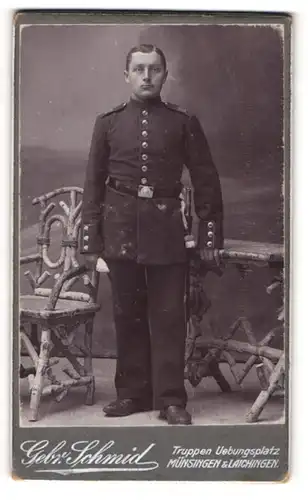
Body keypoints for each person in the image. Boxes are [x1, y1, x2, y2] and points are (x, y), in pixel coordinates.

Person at [80, 44, 223, 425]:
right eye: (139, 69)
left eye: (154, 70)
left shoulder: (183, 122)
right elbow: (93, 185)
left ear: (164, 75)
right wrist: (89, 241)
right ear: (125, 75)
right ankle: (132, 394)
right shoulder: (107, 123)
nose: (147, 76)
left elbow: (206, 181)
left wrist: (209, 239)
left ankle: (171, 399)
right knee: (128, 315)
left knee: (168, 317)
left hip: (166, 233)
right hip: (120, 231)